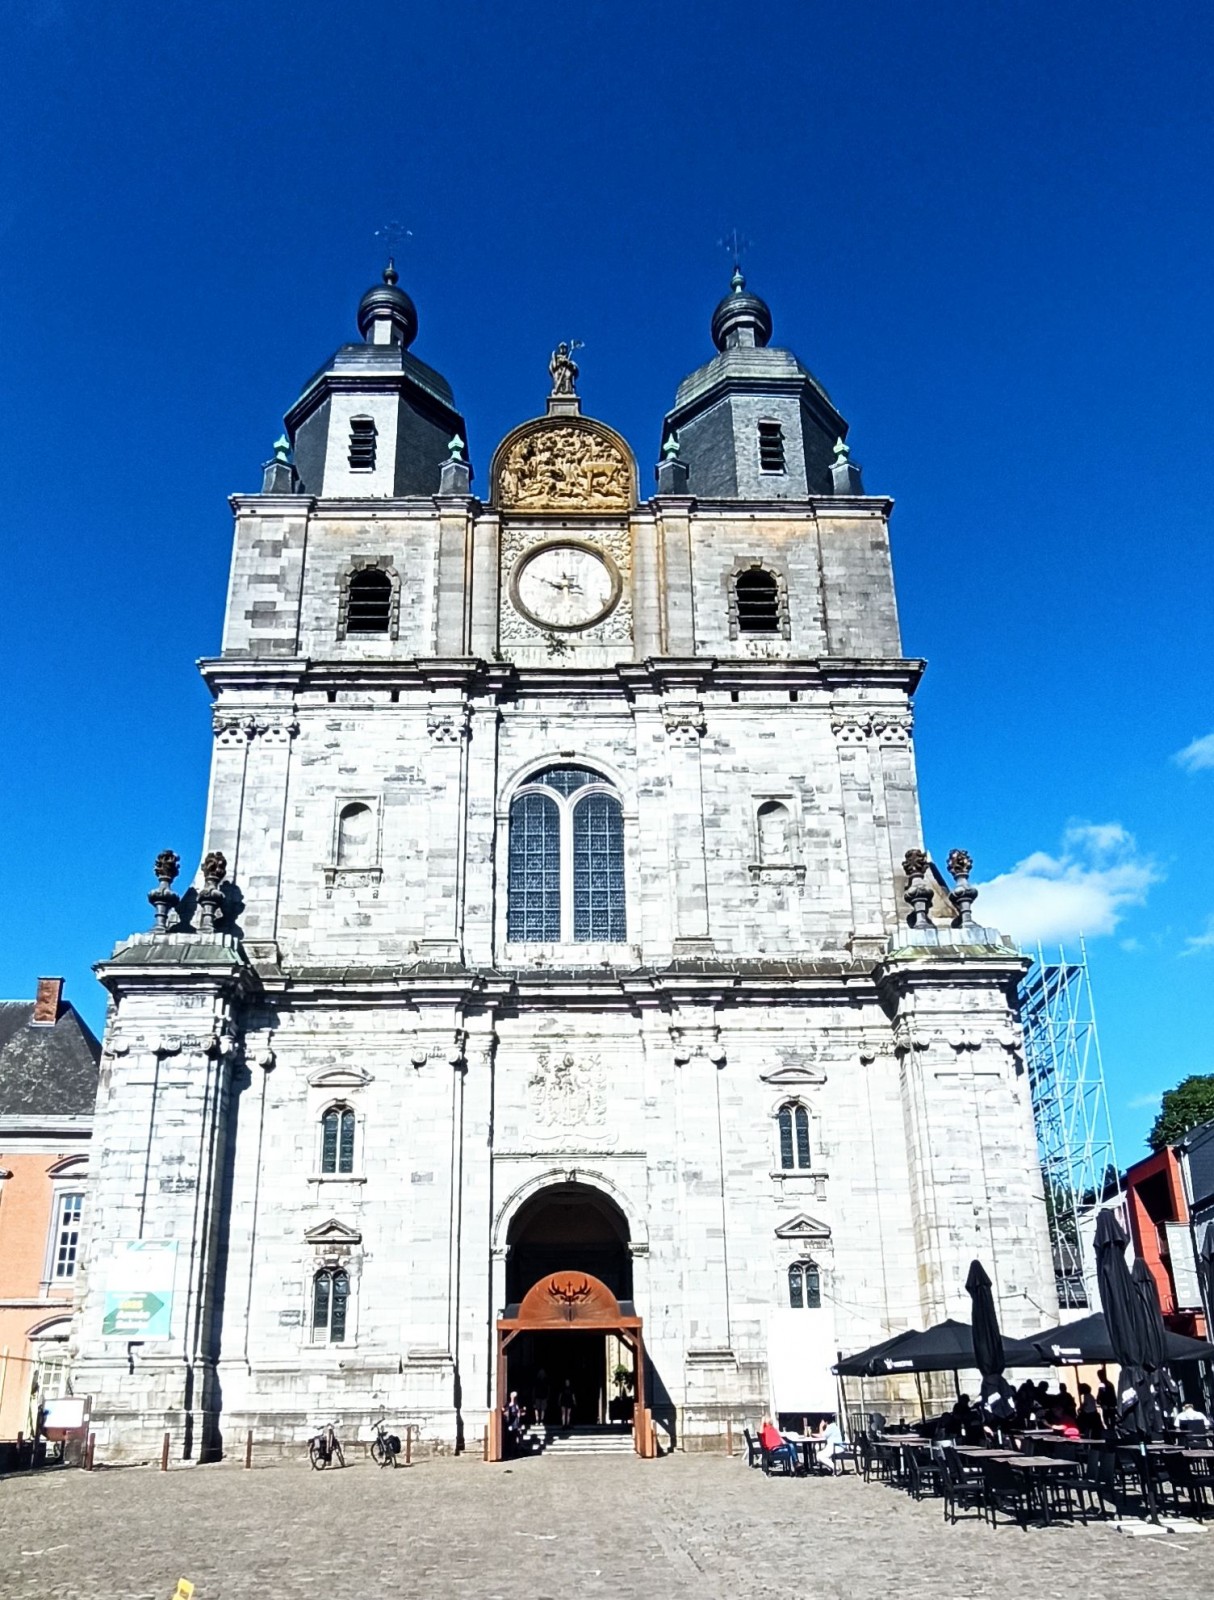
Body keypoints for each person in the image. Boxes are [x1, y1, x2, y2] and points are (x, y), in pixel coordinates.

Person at [503, 1390, 524, 1455]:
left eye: (515, 1396)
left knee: (515, 1438)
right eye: (513, 1396)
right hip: (509, 1423)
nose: (514, 1398)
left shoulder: (517, 1405)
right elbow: (504, 1412)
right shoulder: (508, 1404)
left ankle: (514, 1452)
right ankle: (509, 1452)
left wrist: (519, 1424)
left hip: (515, 1424)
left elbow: (519, 1415)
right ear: (510, 1396)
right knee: (509, 1438)